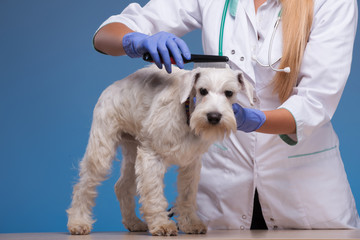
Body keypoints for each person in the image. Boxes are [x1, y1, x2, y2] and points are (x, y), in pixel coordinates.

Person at [93, 0, 360, 230]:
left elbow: (315, 102)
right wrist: (133, 40)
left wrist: (254, 120)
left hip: (306, 200)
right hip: (220, 199)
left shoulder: (333, 2)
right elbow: (106, 35)